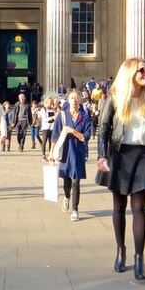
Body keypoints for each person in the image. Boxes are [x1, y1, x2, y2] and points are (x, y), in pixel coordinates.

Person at [95, 58, 145, 281]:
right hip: (119, 154)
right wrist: (101, 156)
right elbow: (103, 128)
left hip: (142, 155)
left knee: (139, 208)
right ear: (129, 73)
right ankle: (120, 251)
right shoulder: (115, 97)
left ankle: (139, 259)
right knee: (119, 206)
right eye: (141, 70)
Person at [53, 89, 92, 220]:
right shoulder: (62, 116)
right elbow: (55, 135)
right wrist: (51, 153)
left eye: (76, 98)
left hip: (78, 153)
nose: (74, 100)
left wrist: (73, 131)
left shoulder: (85, 117)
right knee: (67, 182)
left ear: (80, 100)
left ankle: (75, 209)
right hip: (65, 153)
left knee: (76, 181)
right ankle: (67, 196)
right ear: (68, 100)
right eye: (72, 98)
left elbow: (86, 136)